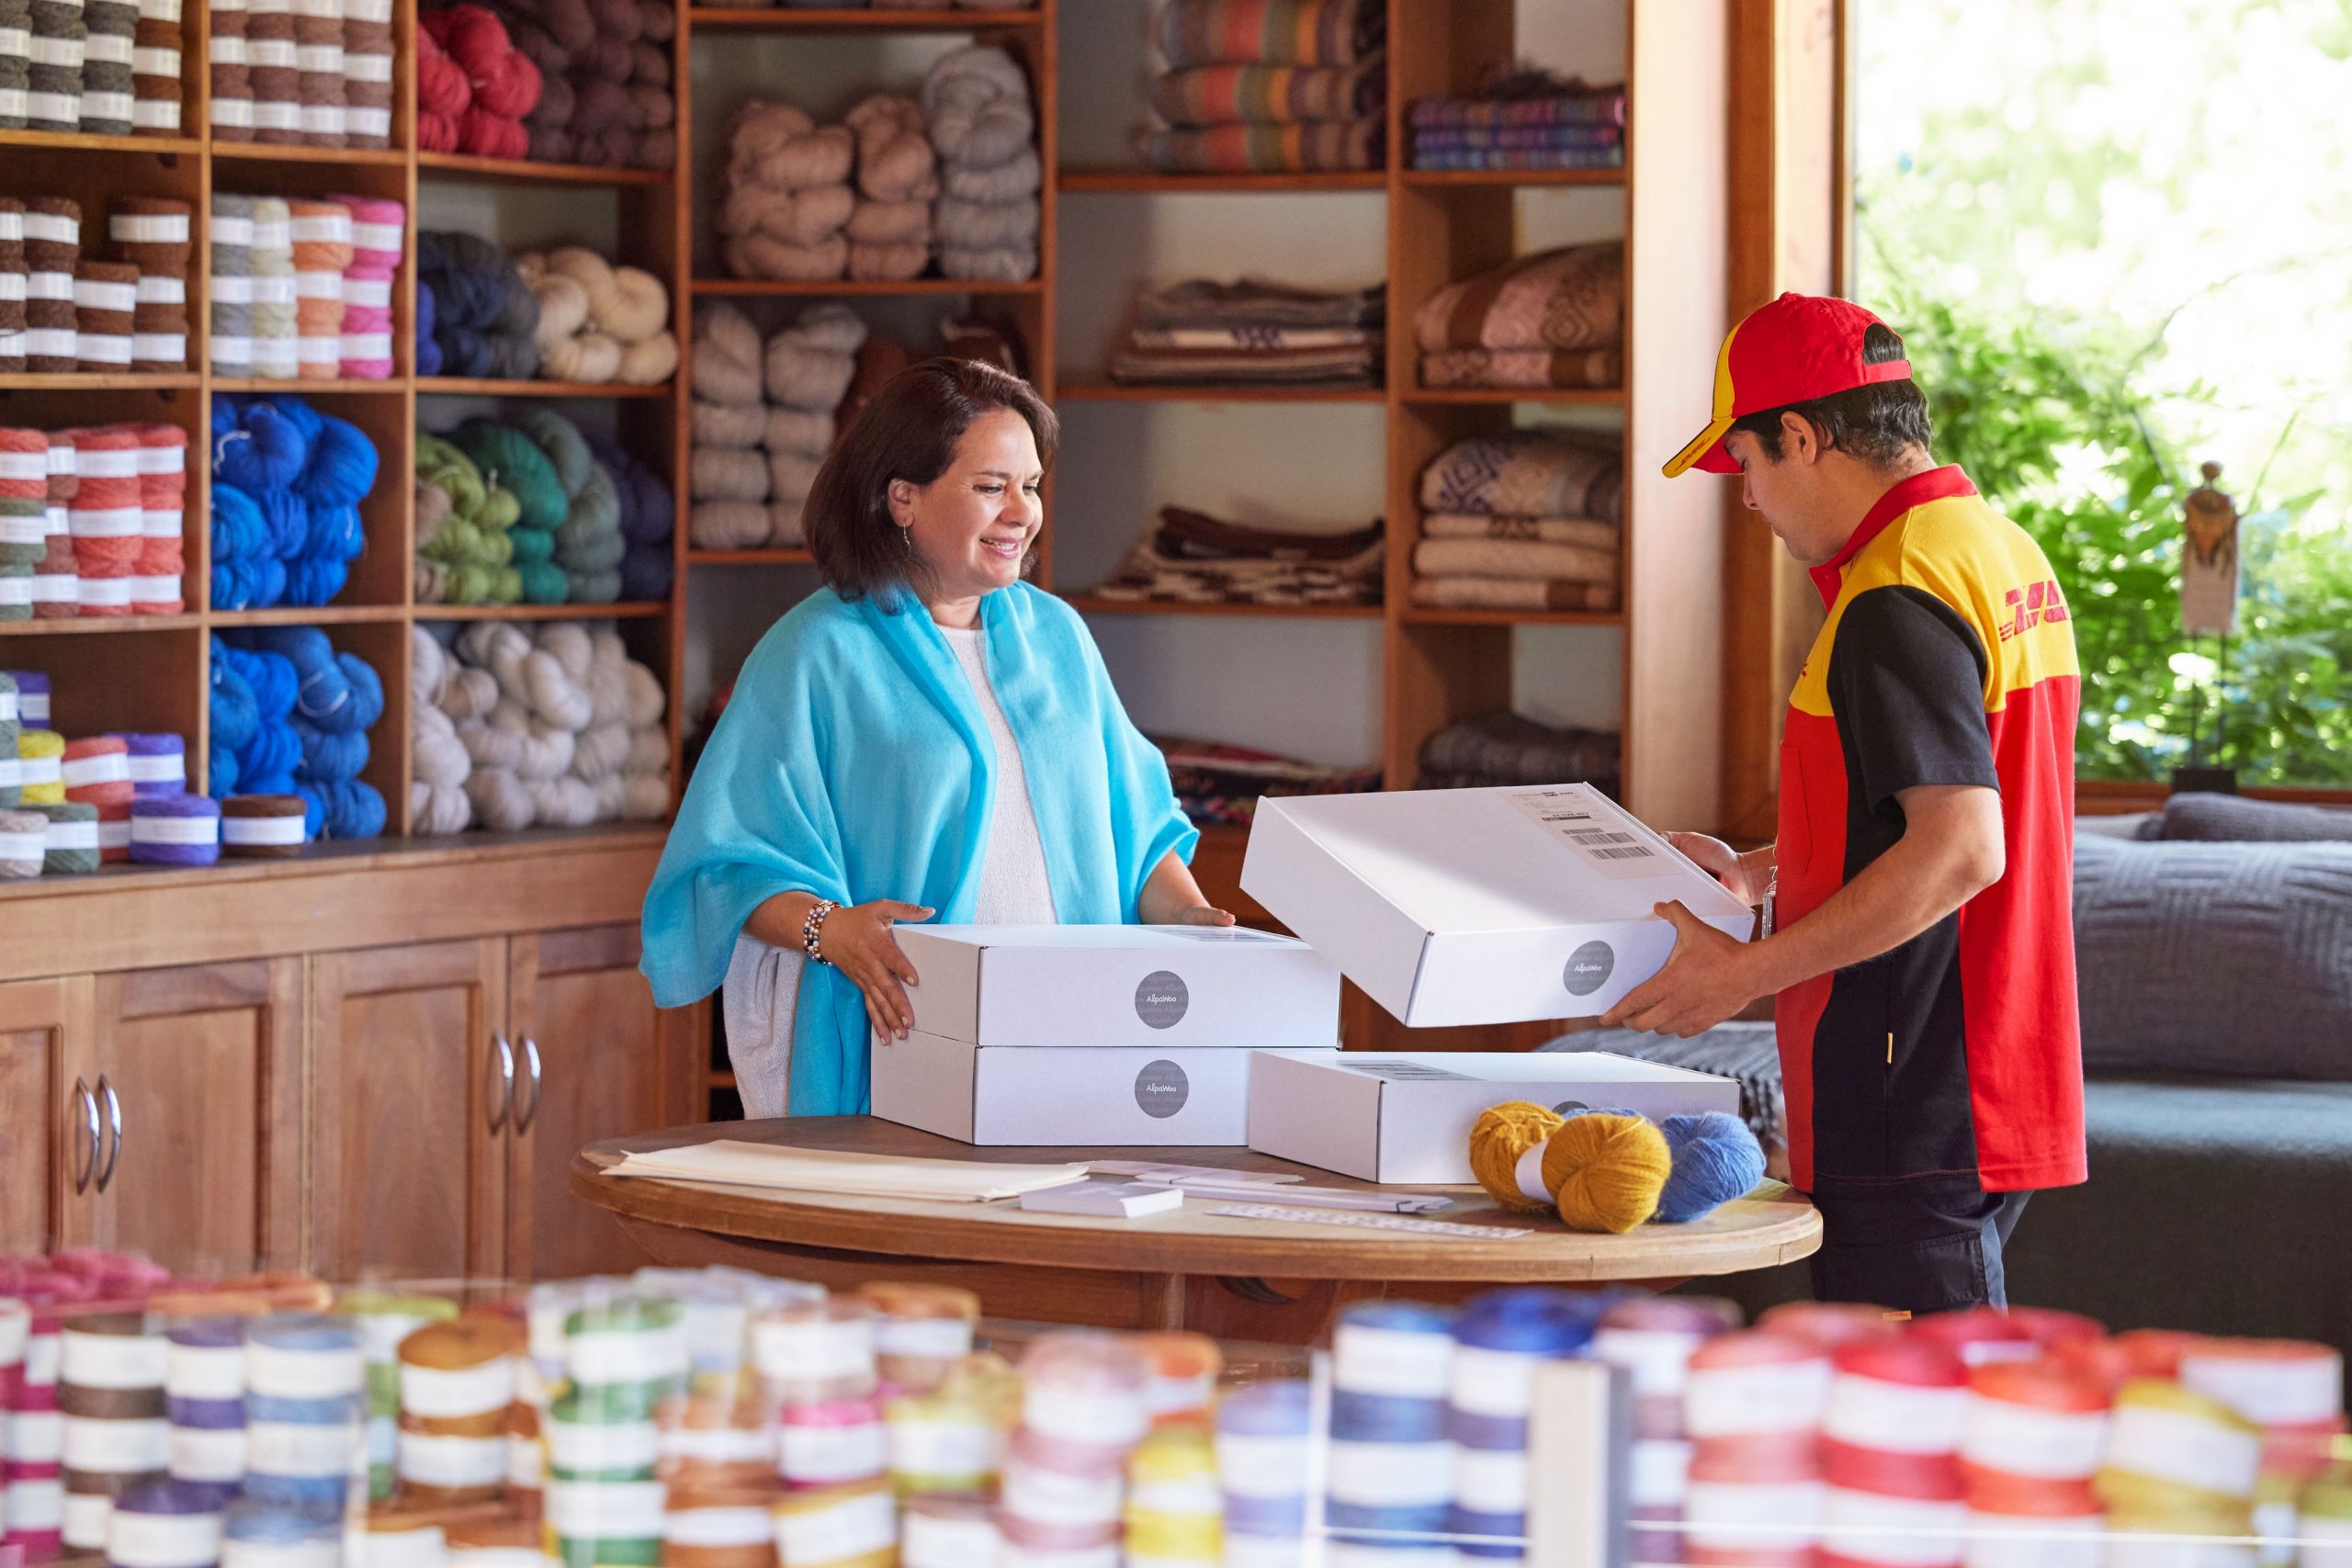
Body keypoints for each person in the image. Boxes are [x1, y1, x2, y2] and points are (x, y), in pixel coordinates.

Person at [1603, 292, 2085, 1312]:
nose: (1746, 498)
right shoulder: (1994, 549)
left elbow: (1962, 848)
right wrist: (1761, 870)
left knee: (1913, 1403)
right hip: (1990, 1060)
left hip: (1908, 1084)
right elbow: (1936, 801)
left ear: (1801, 435)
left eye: (1746, 462)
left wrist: (1741, 974)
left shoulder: (1892, 594)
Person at [640, 357, 1233, 1118]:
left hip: (1075, 1032)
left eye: (1031, 486)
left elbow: (1139, 829)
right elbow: (727, 862)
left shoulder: (1059, 637)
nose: (1022, 512)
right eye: (991, 486)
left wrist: (1186, 914)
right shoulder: (815, 652)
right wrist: (831, 929)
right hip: (900, 1037)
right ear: (903, 498)